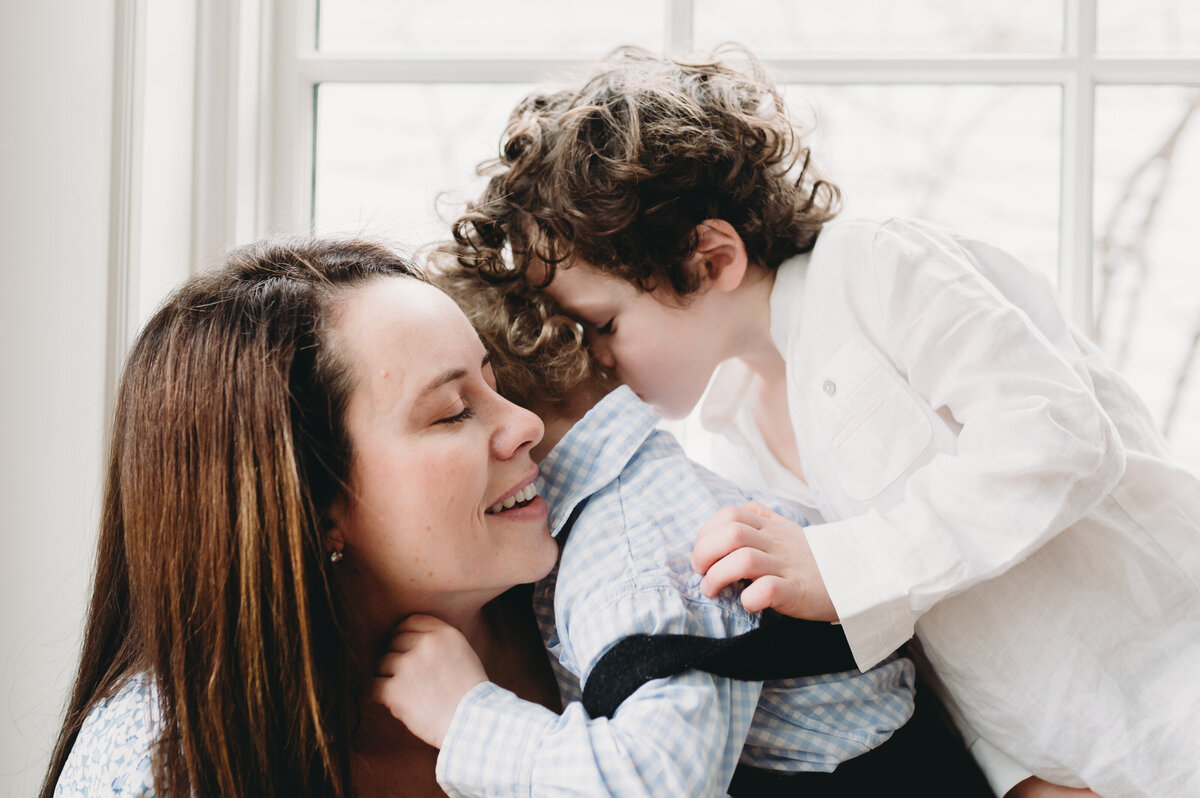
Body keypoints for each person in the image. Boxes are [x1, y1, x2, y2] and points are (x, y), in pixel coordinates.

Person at [447, 45, 1200, 798]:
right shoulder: (731, 445)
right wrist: (1014, 774)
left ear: (712, 260)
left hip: (1174, 694)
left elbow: (1058, 438)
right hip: (1072, 768)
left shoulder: (875, 272)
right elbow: (922, 634)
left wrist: (844, 566)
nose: (598, 360)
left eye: (606, 323)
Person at [372, 259, 922, 797]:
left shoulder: (622, 554)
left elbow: (660, 783)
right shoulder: (652, 488)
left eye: (459, 407)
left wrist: (466, 717)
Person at [41, 238, 562, 798]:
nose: (527, 423)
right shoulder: (164, 768)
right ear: (314, 505)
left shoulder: (605, 611)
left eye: (494, 384)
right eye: (452, 413)